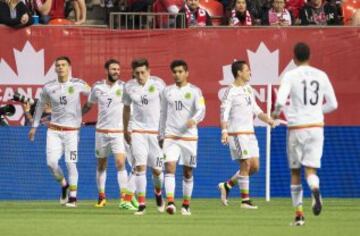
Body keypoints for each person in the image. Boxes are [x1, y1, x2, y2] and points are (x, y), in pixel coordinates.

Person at [272, 42, 338, 226]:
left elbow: (280, 101)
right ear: (310, 56)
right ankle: (315, 189)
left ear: (294, 58)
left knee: (295, 171)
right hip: (316, 126)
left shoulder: (290, 75)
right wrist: (317, 111)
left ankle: (299, 215)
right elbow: (333, 104)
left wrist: (275, 115)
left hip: (297, 127)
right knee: (311, 169)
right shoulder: (321, 75)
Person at [28, 56, 91, 207]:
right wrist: (34, 127)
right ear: (55, 69)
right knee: (51, 163)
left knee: (71, 163)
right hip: (54, 131)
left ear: (69, 67)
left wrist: (85, 110)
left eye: (63, 65)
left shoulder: (78, 84)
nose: (60, 67)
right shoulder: (48, 87)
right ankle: (64, 185)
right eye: (58, 65)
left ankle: (73, 198)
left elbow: (94, 95)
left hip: (72, 132)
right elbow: (39, 107)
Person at [218, 60, 275, 209]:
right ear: (239, 73)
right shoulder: (230, 91)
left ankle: (227, 185)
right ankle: (245, 201)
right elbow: (224, 112)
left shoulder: (249, 89)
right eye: (247, 70)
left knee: (254, 167)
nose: (250, 72)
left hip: (250, 133)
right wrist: (224, 131)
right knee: (246, 163)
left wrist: (269, 120)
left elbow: (256, 110)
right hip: (236, 133)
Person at [82, 59, 136, 210]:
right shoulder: (97, 87)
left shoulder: (126, 87)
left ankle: (124, 199)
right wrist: (78, 116)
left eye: (118, 69)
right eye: (113, 69)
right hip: (101, 133)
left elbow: (130, 110)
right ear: (106, 71)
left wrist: (130, 129)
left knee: (120, 163)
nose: (116, 72)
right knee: (101, 165)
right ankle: (101, 197)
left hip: (118, 132)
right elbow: (88, 105)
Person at [159, 60, 206, 216]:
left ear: (187, 73)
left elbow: (201, 110)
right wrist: (161, 134)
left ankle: (186, 205)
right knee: (169, 167)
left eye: (180, 71)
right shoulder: (167, 91)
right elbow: (163, 114)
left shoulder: (195, 91)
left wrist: (194, 120)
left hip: (189, 138)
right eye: (175, 72)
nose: (177, 74)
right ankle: (171, 203)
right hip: (171, 136)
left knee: (187, 172)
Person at [122, 58, 166, 215]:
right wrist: (125, 130)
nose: (140, 76)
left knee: (157, 171)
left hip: (156, 133)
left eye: (143, 72)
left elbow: (166, 108)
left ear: (149, 71)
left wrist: (165, 132)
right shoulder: (128, 86)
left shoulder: (159, 84)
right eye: (137, 73)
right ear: (133, 73)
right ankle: (142, 204)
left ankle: (158, 193)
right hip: (138, 131)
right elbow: (126, 108)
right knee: (139, 167)